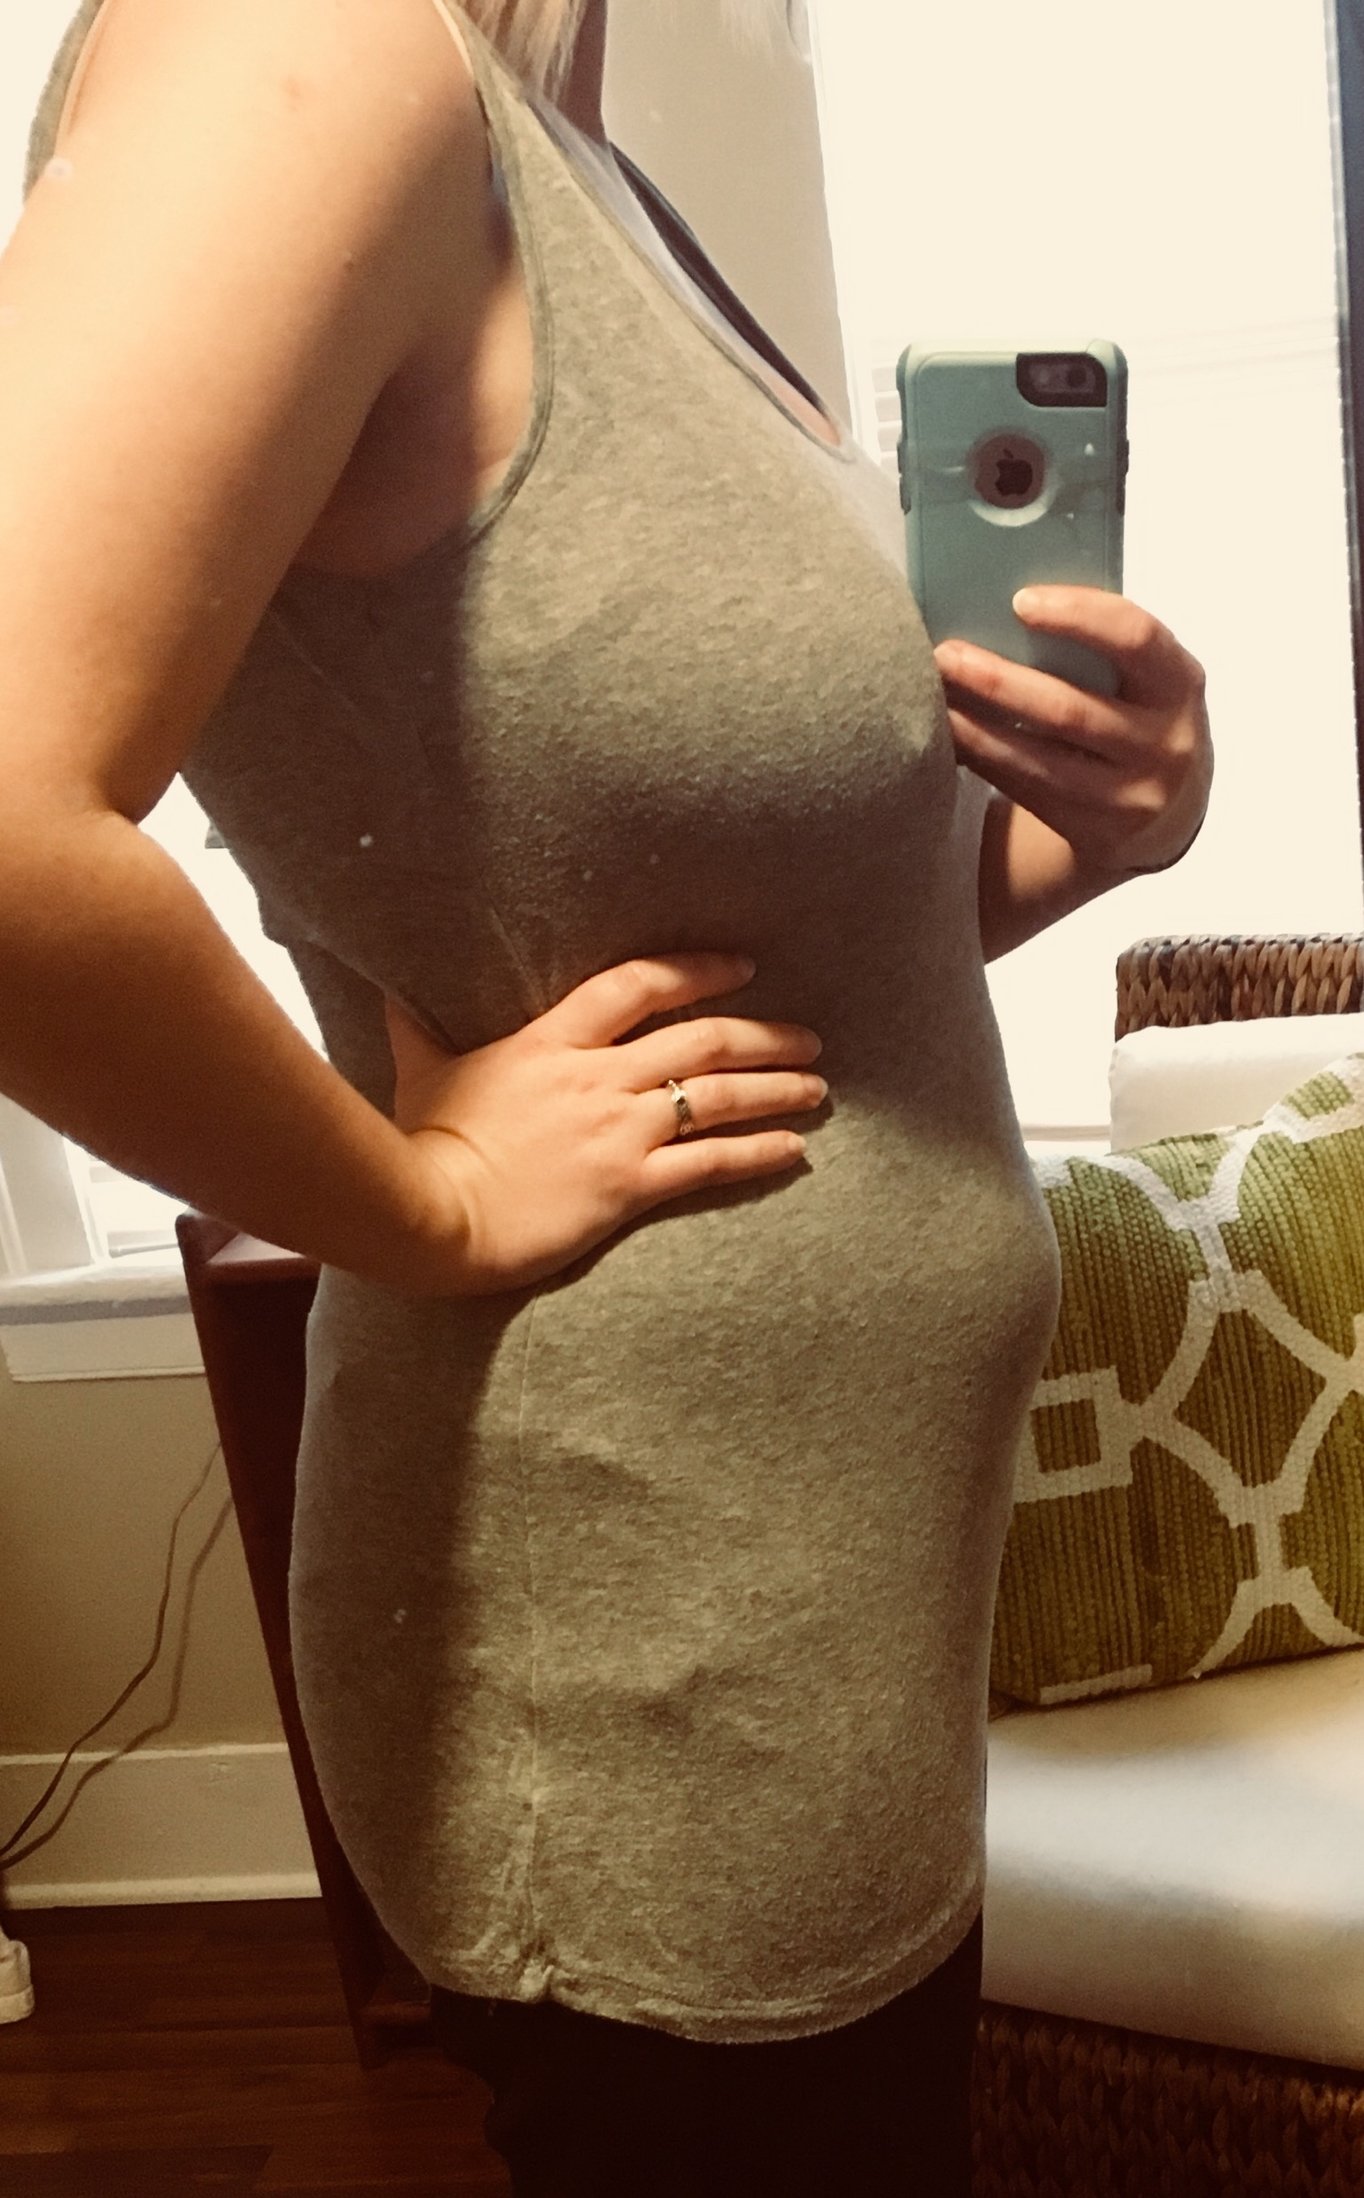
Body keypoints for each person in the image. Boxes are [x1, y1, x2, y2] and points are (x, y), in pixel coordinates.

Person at [5, 0, 1212, 2189]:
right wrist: (428, 1199)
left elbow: (797, 953)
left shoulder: (573, 153)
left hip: (818, 1651)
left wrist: (1106, 830)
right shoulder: (296, 52)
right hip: (647, 1654)